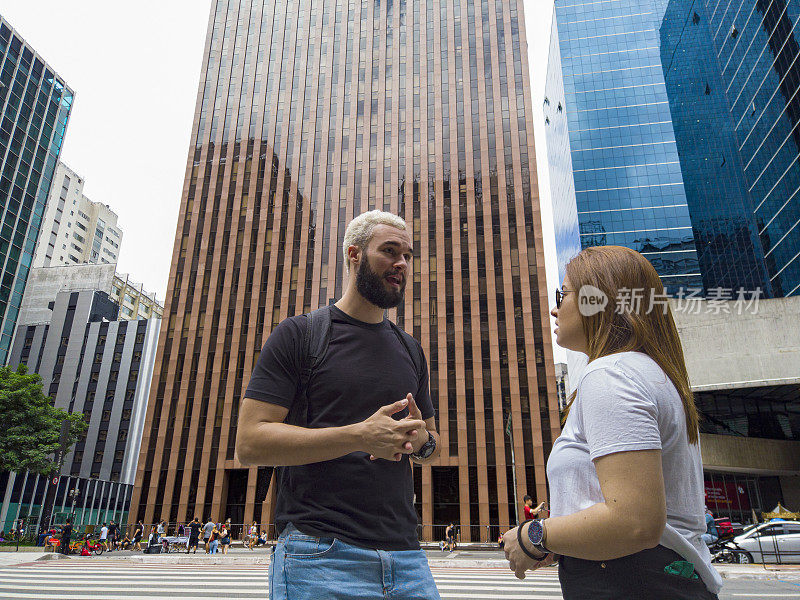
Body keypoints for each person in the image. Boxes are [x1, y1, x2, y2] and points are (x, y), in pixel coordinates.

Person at [237, 210, 442, 600]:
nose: (401, 263)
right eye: (389, 251)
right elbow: (250, 442)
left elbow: (433, 443)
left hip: (407, 559)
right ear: (354, 254)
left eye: (407, 255)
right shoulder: (300, 334)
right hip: (318, 556)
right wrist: (360, 436)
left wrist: (422, 442)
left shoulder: (410, 349)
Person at [502, 246, 723, 599]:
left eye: (564, 293)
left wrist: (534, 536)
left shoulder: (611, 374)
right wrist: (564, 540)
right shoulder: (647, 373)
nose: (554, 307)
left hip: (630, 582)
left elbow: (635, 522)